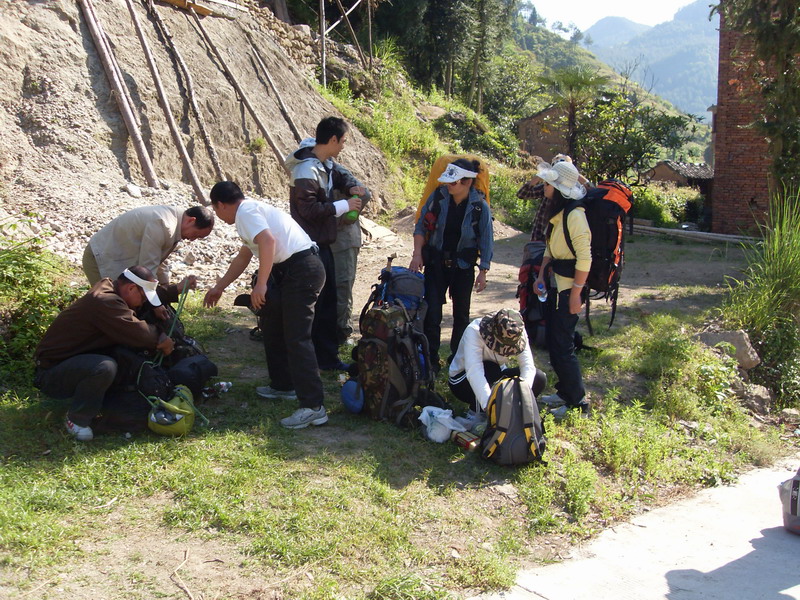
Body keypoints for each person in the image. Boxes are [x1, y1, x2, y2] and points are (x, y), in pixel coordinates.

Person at [203, 181, 329, 430]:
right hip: (291, 271)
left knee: (297, 337)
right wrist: (220, 286)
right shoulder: (249, 213)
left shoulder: (246, 212)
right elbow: (244, 255)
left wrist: (260, 285)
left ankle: (314, 407)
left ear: (221, 204)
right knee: (272, 324)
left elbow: (268, 242)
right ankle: (283, 385)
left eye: (216, 211)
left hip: (302, 270)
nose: (218, 216)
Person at [34, 266, 175, 441]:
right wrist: (161, 338)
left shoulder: (114, 291)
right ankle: (77, 419)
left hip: (75, 362)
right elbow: (140, 333)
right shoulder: (104, 301)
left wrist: (173, 291)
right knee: (104, 367)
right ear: (131, 288)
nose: (144, 302)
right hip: (51, 374)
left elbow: (145, 303)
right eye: (144, 297)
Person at [284, 116, 365, 371]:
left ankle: (326, 359)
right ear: (331, 140)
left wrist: (352, 187)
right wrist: (344, 206)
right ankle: (312, 360)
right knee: (315, 306)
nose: (343, 146)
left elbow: (341, 178)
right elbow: (307, 209)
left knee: (328, 303)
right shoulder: (306, 170)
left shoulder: (324, 163)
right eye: (342, 141)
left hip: (321, 244)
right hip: (309, 248)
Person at [410, 158, 493, 369]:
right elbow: (421, 227)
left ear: (467, 182)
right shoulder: (437, 198)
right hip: (436, 265)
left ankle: (457, 361)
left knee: (461, 317)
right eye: (448, 181)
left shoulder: (479, 207)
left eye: (453, 182)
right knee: (432, 314)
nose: (449, 185)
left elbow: (486, 239)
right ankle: (430, 360)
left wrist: (483, 271)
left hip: (463, 268)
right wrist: (417, 254)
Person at [533, 159, 592, 419]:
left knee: (563, 343)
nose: (545, 187)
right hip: (558, 285)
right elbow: (550, 248)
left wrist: (576, 293)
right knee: (555, 341)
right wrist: (541, 273)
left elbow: (585, 259)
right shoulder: (560, 215)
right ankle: (565, 392)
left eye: (548, 184)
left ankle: (578, 401)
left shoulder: (575, 216)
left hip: (569, 289)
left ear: (558, 189)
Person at [82, 205, 214, 304]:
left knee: (125, 304)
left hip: (119, 259)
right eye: (196, 235)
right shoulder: (164, 224)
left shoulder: (174, 223)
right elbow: (147, 270)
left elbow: (158, 260)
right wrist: (158, 303)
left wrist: (165, 285)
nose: (192, 240)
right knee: (112, 305)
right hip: (100, 257)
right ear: (191, 221)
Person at [448, 308, 546, 429]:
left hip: (497, 374)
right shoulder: (474, 330)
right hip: (461, 381)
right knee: (491, 368)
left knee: (538, 377)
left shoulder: (517, 329)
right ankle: (476, 414)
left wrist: (524, 397)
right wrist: (491, 407)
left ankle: (515, 411)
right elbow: (474, 372)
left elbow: (528, 366)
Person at [330, 163, 372, 345]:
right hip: (328, 240)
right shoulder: (315, 171)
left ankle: (343, 332)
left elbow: (365, 194)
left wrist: (344, 218)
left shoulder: (337, 171)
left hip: (345, 240)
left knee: (343, 286)